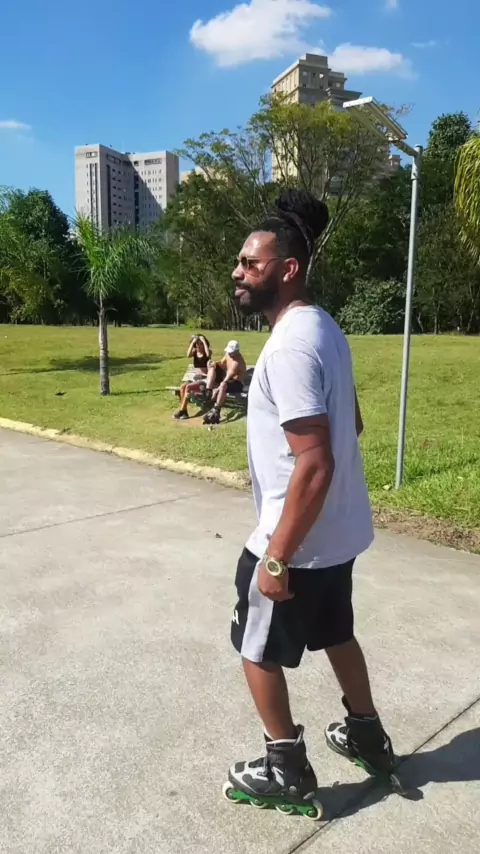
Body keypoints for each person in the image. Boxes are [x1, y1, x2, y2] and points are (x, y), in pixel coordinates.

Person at [223, 189, 395, 816]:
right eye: (241, 263)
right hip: (337, 537)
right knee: (336, 634)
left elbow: (316, 461)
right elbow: (353, 424)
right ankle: (368, 736)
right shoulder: (324, 328)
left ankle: (286, 769)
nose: (238, 273)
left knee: (255, 650)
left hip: (296, 543)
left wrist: (276, 557)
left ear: (288, 268)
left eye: (251, 263)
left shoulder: (290, 345)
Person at [202, 340, 247, 426]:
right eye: (229, 351)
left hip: (236, 383)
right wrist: (214, 364)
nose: (229, 353)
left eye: (231, 352)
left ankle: (217, 409)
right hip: (227, 378)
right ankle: (208, 391)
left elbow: (227, 379)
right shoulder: (228, 354)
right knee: (212, 368)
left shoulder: (237, 363)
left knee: (223, 385)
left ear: (237, 351)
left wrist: (217, 390)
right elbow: (222, 363)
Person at [173, 334, 211, 421]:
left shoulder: (207, 352)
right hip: (195, 378)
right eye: (197, 344)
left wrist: (203, 341)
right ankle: (184, 411)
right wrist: (193, 341)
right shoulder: (194, 352)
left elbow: (208, 355)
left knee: (188, 388)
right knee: (182, 387)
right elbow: (188, 355)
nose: (199, 346)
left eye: (201, 344)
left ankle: (182, 411)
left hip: (204, 379)